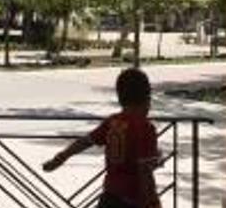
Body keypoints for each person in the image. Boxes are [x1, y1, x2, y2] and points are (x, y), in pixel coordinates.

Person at [43, 68, 162, 208]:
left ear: (120, 97)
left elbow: (85, 141)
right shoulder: (145, 128)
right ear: (146, 97)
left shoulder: (112, 122)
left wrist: (62, 156)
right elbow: (145, 172)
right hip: (132, 199)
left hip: (110, 196)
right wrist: (153, 202)